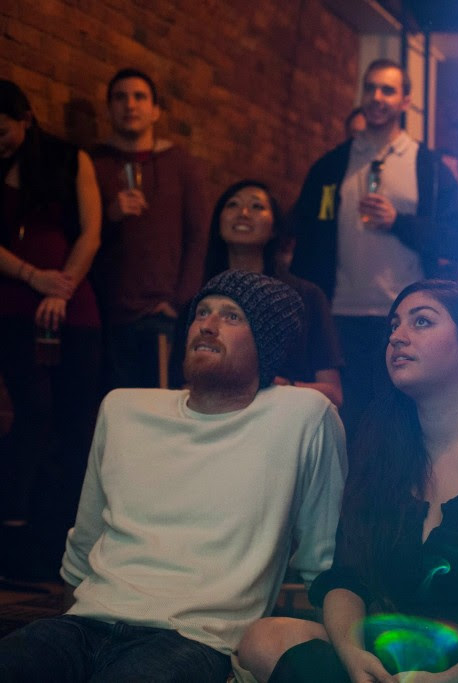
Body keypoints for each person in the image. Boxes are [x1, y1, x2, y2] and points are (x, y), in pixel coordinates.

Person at [0, 270, 346, 682]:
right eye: (202, 312)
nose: (208, 324)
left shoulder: (301, 416)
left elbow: (322, 560)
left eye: (232, 317)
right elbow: (84, 544)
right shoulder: (124, 409)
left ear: (266, 346)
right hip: (83, 625)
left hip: (194, 639)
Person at [238, 281, 458, 683]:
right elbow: (346, 578)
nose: (398, 338)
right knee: (265, 638)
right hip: (391, 662)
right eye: (393, 327)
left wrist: (453, 677)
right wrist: (354, 656)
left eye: (421, 322)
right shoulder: (380, 447)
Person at [290, 58, 458, 437]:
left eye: (387, 90)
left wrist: (399, 223)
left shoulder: (429, 167)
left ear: (405, 101)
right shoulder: (331, 167)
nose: (376, 97)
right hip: (338, 316)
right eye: (370, 88)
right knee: (344, 424)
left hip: (404, 317)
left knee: (400, 423)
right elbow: (307, 239)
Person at [0, 80, 102, 559]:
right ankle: (16, 528)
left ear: (26, 119)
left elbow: (91, 231)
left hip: (73, 302)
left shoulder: (68, 158)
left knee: (75, 417)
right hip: (13, 301)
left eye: (3, 130)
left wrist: (61, 286)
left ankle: (62, 533)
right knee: (32, 411)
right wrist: (32, 276)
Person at [90, 67, 208, 389]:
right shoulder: (94, 162)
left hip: (161, 311)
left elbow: (198, 236)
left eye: (139, 97)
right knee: (114, 410)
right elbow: (78, 232)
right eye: (120, 97)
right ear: (109, 108)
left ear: (155, 110)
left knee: (158, 408)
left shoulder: (180, 163)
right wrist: (110, 216)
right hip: (106, 311)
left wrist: (179, 301)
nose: (130, 105)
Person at [201, 179, 343, 405]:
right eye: (233, 205)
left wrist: (286, 388)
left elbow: (334, 393)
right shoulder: (201, 302)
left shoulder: (306, 297)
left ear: (275, 228)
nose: (243, 213)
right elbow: (181, 390)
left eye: (257, 206)